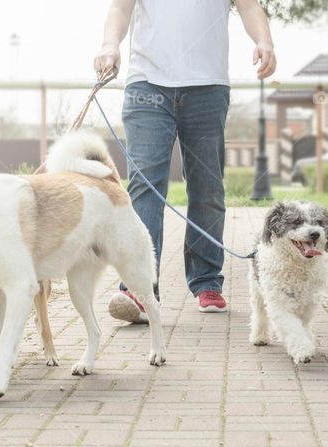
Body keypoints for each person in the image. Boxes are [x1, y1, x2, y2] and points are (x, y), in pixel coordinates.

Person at [94, 0, 276, 323]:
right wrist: (110, 45)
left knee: (208, 188)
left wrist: (265, 41)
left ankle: (206, 279)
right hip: (147, 85)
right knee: (145, 187)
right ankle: (139, 288)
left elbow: (249, 6)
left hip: (208, 88)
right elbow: (120, 8)